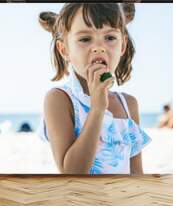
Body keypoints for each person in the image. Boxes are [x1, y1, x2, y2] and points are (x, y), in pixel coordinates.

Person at [39, 3, 151, 174]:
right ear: (64, 50)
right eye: (85, 39)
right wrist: (97, 108)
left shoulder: (128, 104)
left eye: (110, 38)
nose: (99, 47)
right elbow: (70, 173)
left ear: (123, 45)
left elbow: (136, 173)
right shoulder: (59, 99)